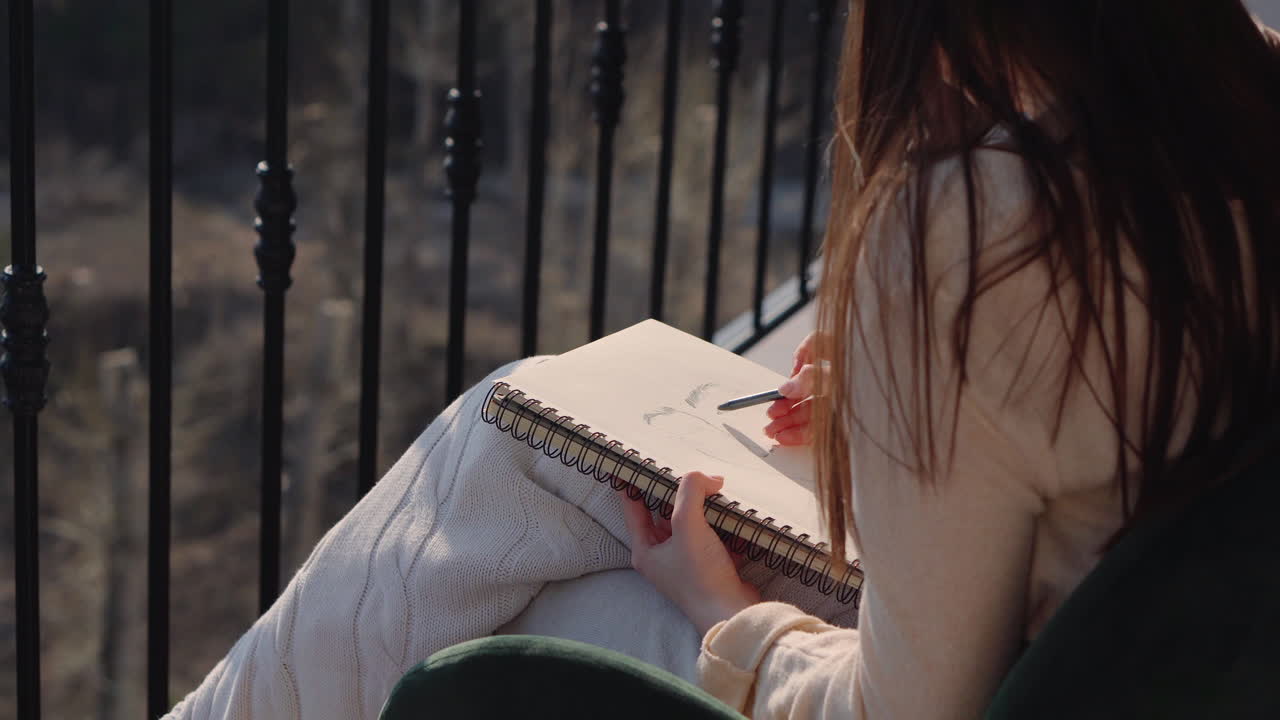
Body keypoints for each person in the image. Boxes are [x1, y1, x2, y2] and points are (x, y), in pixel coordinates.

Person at [167, 3, 1280, 718]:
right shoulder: (1235, 115)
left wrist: (721, 616)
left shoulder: (986, 230)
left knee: (514, 501)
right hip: (1158, 656)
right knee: (516, 443)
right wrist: (911, 405)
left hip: (1000, 680)